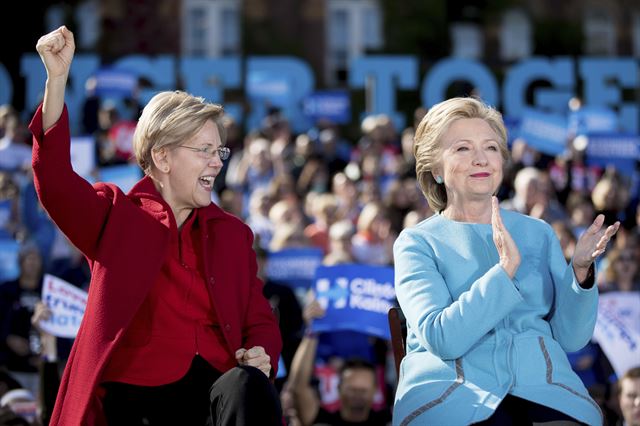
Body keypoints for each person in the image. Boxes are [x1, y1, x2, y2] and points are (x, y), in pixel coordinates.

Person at [31, 26, 282, 425]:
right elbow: (56, 183)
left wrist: (261, 352)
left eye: (219, 151)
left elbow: (260, 321)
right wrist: (57, 81)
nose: (218, 162)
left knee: (246, 385)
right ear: (162, 157)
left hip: (213, 398)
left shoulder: (233, 233)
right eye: (204, 150)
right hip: (136, 400)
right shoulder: (116, 216)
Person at [392, 96, 620, 425]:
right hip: (453, 392)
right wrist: (504, 272)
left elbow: (571, 337)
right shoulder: (416, 243)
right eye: (462, 149)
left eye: (491, 147)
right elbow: (443, 338)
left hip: (543, 388)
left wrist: (580, 272)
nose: (481, 159)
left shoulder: (539, 233)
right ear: (436, 170)